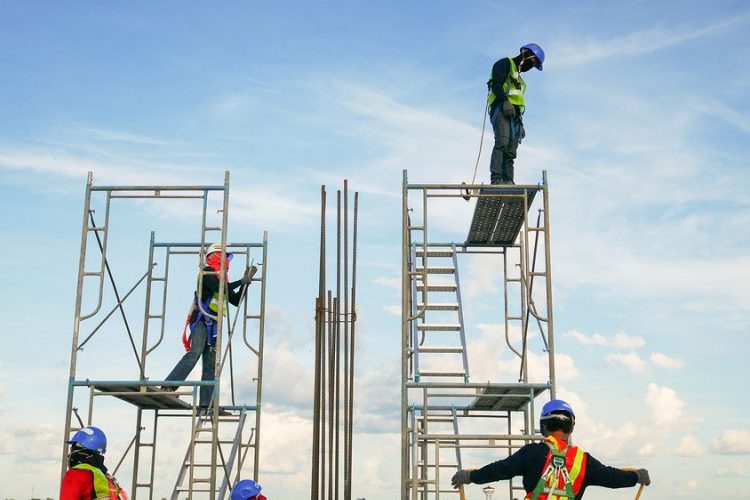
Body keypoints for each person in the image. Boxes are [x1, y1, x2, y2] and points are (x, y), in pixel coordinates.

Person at [451, 399, 651, 499]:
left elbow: (499, 470)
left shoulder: (531, 453)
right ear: (571, 427)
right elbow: (614, 478)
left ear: (543, 426)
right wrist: (637, 476)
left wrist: (470, 477)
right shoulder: (584, 461)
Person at [163, 243, 257, 412]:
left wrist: (245, 283)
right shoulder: (207, 273)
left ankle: (207, 404)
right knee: (195, 352)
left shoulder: (222, 278)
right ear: (215, 256)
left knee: (210, 364)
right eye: (223, 256)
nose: (226, 260)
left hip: (213, 324)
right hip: (200, 320)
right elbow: (222, 289)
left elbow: (234, 300)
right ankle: (168, 387)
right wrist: (241, 281)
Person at [487, 43, 545, 185]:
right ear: (525, 53)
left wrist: (520, 123)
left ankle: (508, 181)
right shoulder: (505, 63)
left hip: (515, 116)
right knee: (502, 141)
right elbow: (496, 85)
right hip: (501, 108)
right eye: (532, 62)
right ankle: (496, 179)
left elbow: (517, 100)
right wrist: (505, 102)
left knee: (511, 149)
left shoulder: (519, 80)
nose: (531, 67)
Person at [61, 426, 128, 500]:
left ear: (79, 449)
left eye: (72, 448)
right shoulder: (106, 479)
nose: (70, 454)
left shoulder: (77, 474)